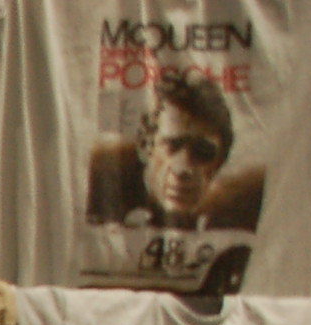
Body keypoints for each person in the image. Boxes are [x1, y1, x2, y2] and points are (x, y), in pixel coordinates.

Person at [87, 73, 236, 229]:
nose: (183, 168)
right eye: (172, 145)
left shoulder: (231, 210)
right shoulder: (100, 184)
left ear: (221, 160)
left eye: (203, 151)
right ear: (145, 146)